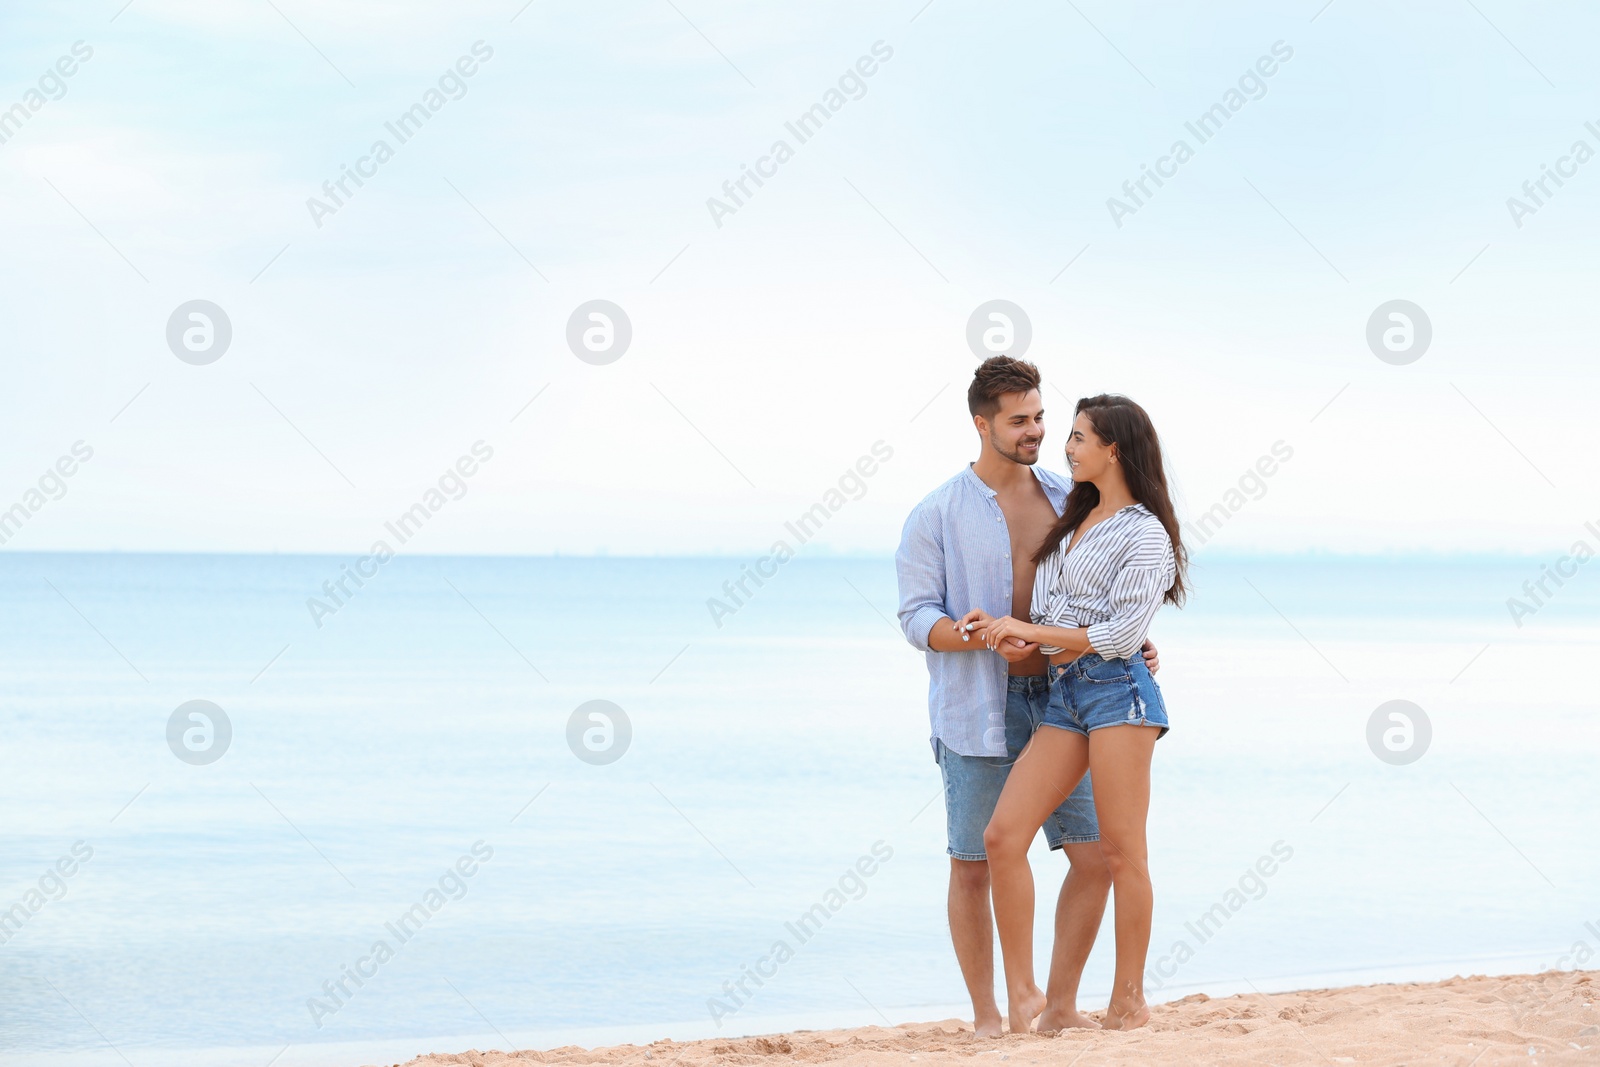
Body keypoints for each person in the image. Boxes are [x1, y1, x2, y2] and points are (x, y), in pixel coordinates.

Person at [895, 360, 1160, 1037]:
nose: (1037, 432)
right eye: (1020, 420)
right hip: (977, 705)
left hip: (1068, 696)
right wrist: (977, 639)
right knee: (975, 860)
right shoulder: (936, 513)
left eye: (1042, 417)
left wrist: (1125, 646)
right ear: (981, 423)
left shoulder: (1068, 492)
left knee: (1095, 854)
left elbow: (1105, 591)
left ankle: (1060, 1004)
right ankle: (991, 1012)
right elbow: (916, 617)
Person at [965, 393, 1187, 1033]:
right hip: (1066, 695)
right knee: (1003, 837)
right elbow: (1062, 617)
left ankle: (1128, 1001)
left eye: (1080, 437)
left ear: (1114, 448)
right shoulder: (1074, 516)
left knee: (1122, 853)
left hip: (1121, 693)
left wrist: (1041, 632)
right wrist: (1011, 631)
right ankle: (1048, 1004)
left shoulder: (1145, 532)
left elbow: (1120, 636)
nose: (1067, 446)